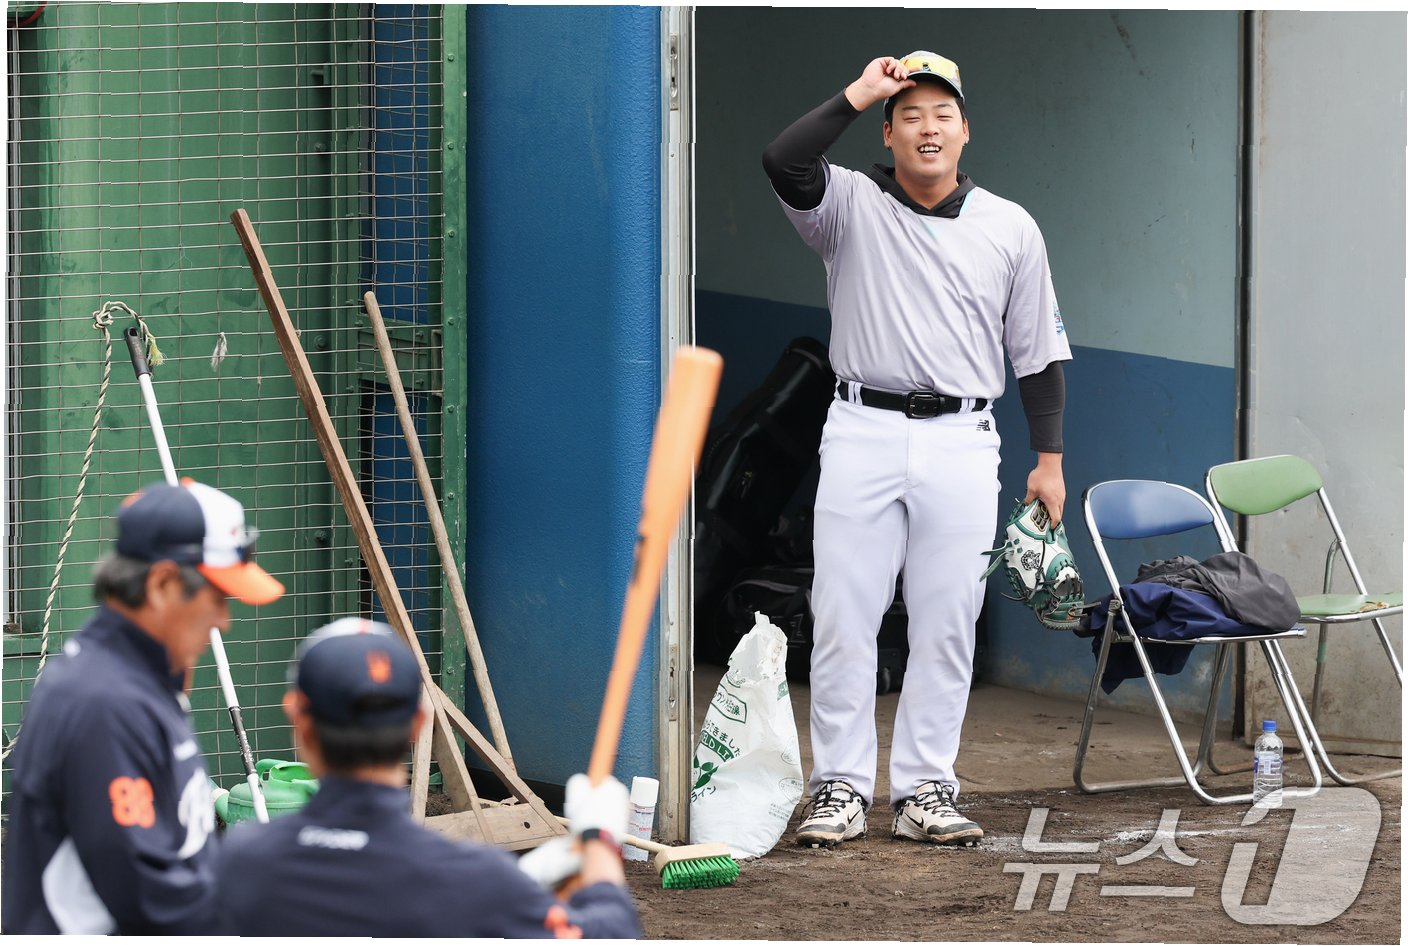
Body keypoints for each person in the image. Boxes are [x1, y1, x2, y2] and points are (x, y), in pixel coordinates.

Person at [762, 51, 1072, 848]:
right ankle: (839, 787)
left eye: (942, 114)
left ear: (965, 131)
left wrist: (1049, 461)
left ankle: (925, 789)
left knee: (948, 621)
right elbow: (784, 160)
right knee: (843, 616)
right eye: (910, 115)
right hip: (861, 426)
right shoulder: (849, 204)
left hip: (963, 438)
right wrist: (860, 92)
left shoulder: (1011, 226)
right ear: (889, 134)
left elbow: (1038, 355)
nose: (927, 128)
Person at [214, 618, 642, 939]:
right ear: (419, 725)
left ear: (300, 722)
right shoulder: (475, 882)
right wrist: (598, 839)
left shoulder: (241, 864)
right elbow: (610, 933)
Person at [1, 480, 285, 934]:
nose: (223, 620)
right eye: (216, 598)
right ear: (162, 584)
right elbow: (152, 899)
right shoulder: (103, 702)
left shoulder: (139, 676)